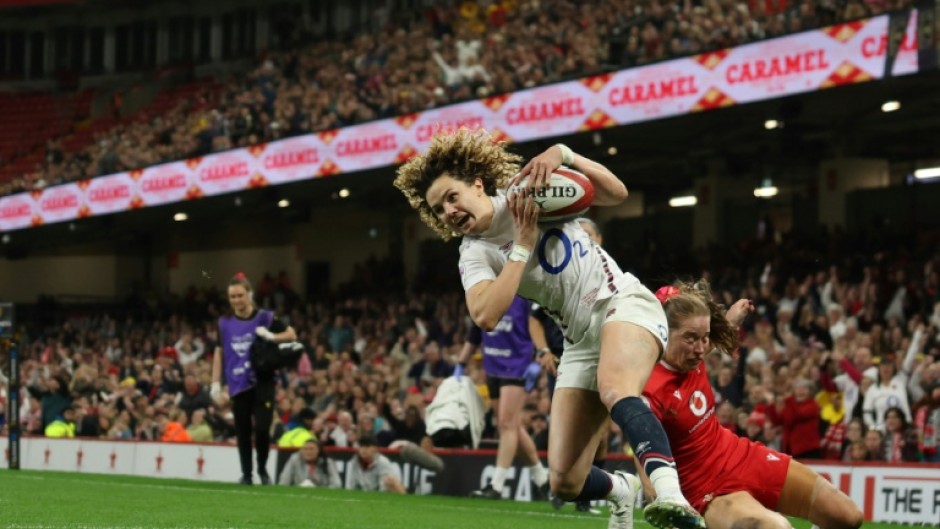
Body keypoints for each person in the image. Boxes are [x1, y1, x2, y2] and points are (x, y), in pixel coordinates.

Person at [394, 130, 703, 529]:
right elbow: (485, 315)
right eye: (438, 209)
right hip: (578, 340)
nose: (448, 211)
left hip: (623, 303)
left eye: (452, 197)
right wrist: (521, 247)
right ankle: (623, 489)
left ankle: (671, 496)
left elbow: (616, 194)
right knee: (565, 481)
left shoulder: (526, 194)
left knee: (616, 389)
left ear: (477, 185)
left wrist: (565, 154)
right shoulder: (472, 253)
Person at [641, 279, 863, 529]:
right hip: (706, 489)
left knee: (848, 516)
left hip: (741, 455)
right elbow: (646, 461)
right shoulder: (649, 388)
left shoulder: (692, 352)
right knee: (776, 527)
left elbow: (713, 338)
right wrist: (666, 504)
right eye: (691, 339)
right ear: (664, 332)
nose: (701, 349)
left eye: (704, 338)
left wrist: (731, 318)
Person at [532, 217, 609, 514]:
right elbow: (534, 318)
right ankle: (562, 485)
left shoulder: (610, 275)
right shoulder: (557, 271)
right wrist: (543, 351)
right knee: (565, 430)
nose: (585, 240)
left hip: (597, 359)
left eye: (589, 235)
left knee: (599, 433)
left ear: (599, 240)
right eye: (581, 235)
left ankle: (583, 496)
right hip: (560, 363)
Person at [456, 296, 550, 500]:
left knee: (507, 424)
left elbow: (537, 324)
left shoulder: (525, 296)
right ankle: (543, 480)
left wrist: (538, 358)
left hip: (516, 366)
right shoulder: (486, 291)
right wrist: (461, 363)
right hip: (493, 366)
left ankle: (496, 485)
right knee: (511, 426)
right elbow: (475, 330)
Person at [211, 272, 297, 485]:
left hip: (262, 380)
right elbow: (219, 352)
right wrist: (214, 382)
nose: (236, 300)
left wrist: (271, 336)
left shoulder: (265, 317)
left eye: (240, 295)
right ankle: (247, 474)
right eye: (232, 297)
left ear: (249, 294)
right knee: (242, 431)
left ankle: (262, 468)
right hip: (237, 382)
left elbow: (291, 334)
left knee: (261, 428)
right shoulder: (224, 323)